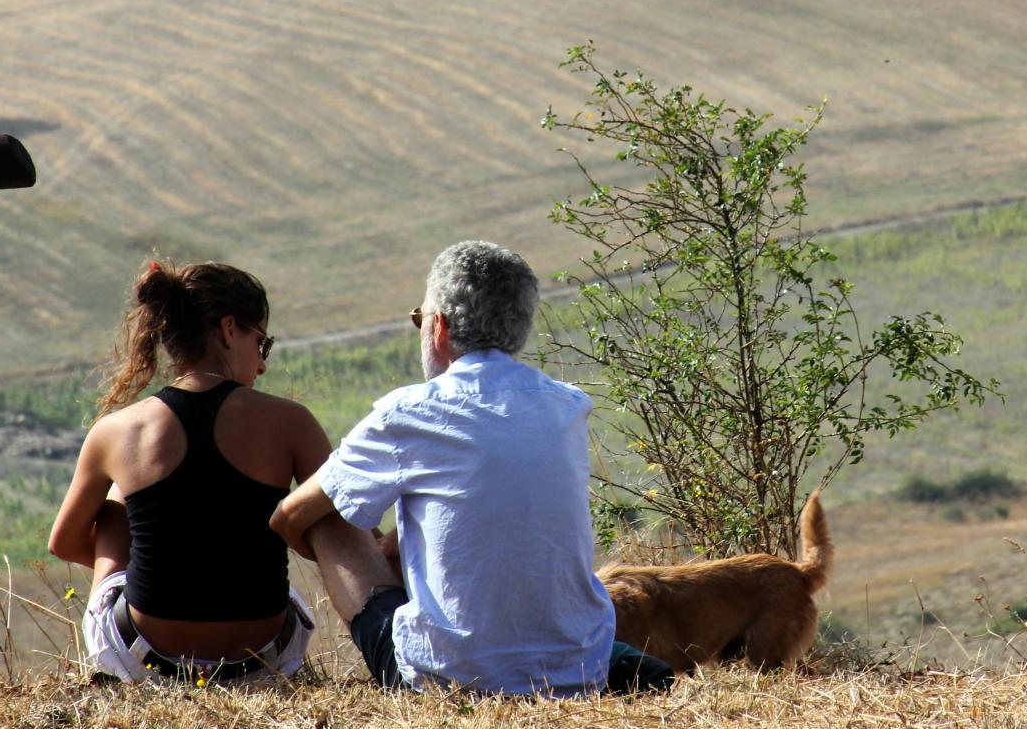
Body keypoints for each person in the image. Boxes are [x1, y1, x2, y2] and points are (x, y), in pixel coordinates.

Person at [272, 240, 673, 696]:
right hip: (578, 668)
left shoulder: (407, 412)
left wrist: (366, 558)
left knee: (328, 513)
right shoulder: (568, 406)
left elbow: (289, 517)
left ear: (438, 327)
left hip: (448, 677)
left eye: (418, 319)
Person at [49, 260, 358, 685]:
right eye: (262, 344)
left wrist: (151, 565)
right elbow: (344, 527)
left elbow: (64, 541)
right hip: (266, 659)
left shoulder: (117, 430)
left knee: (117, 504)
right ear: (229, 329)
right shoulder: (290, 422)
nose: (263, 364)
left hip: (145, 659)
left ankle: (110, 674)